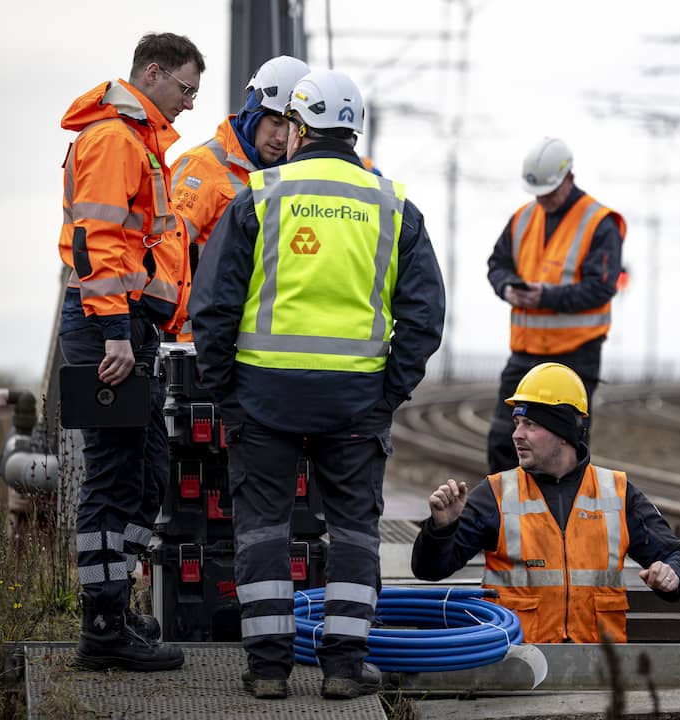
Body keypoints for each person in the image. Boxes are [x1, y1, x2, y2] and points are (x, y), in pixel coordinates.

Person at [190, 69, 445, 700]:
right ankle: (342, 669)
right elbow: (424, 316)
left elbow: (212, 306)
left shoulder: (259, 196)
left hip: (265, 396)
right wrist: (389, 392)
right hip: (356, 402)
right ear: (355, 131)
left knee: (261, 531)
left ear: (299, 128)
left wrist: (227, 391)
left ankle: (269, 671)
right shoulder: (392, 206)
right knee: (355, 531)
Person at [57, 32, 203, 672]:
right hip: (104, 327)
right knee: (114, 476)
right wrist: (116, 329)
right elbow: (97, 239)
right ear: (153, 71)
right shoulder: (116, 140)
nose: (190, 105)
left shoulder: (138, 143)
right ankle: (103, 626)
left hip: (127, 327)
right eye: (185, 88)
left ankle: (118, 604)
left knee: (145, 472)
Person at [411, 362, 680, 643]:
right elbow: (429, 570)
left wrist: (671, 577)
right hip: (517, 665)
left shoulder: (616, 493)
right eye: (517, 423)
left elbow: (678, 555)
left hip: (599, 669)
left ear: (563, 433)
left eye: (530, 425)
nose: (516, 435)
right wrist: (441, 528)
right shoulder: (495, 494)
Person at [484, 137, 625, 473]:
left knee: (566, 446)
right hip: (526, 353)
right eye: (538, 193)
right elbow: (497, 264)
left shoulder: (598, 222)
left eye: (550, 192)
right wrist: (507, 288)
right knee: (505, 438)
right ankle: (505, 516)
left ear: (569, 179)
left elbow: (601, 287)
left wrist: (544, 298)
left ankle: (563, 518)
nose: (544, 200)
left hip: (576, 353)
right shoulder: (522, 219)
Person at [170, 55, 309, 278]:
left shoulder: (290, 179)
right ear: (254, 115)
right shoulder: (201, 166)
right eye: (275, 122)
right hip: (201, 310)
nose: (281, 138)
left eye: (291, 126)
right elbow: (168, 251)